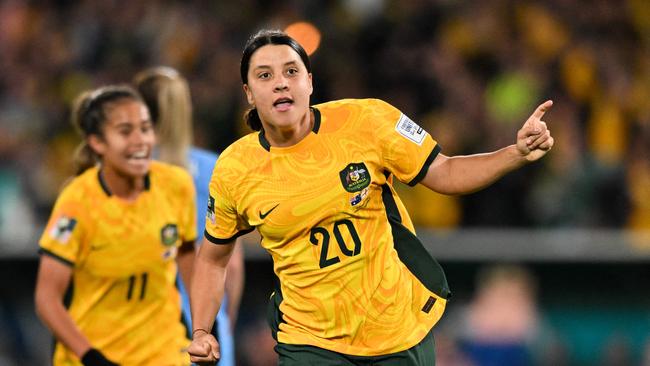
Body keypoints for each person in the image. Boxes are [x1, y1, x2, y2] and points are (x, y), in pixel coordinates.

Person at [188, 29, 554, 365]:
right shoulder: (235, 168)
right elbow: (213, 258)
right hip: (309, 341)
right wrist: (202, 331)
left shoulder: (369, 121)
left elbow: (444, 171)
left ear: (310, 81)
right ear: (249, 93)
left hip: (396, 330)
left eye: (291, 71)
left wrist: (515, 152)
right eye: (265, 76)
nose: (281, 84)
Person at [34, 85, 197, 366]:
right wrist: (91, 357)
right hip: (96, 354)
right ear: (97, 142)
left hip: (166, 352)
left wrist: (205, 325)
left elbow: (187, 257)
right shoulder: (77, 203)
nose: (140, 141)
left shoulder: (176, 184)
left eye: (145, 129)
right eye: (125, 132)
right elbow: (47, 298)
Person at [134, 66, 245, 366]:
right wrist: (224, 325)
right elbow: (230, 267)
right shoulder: (214, 168)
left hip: (143, 328)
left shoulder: (128, 174)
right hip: (204, 326)